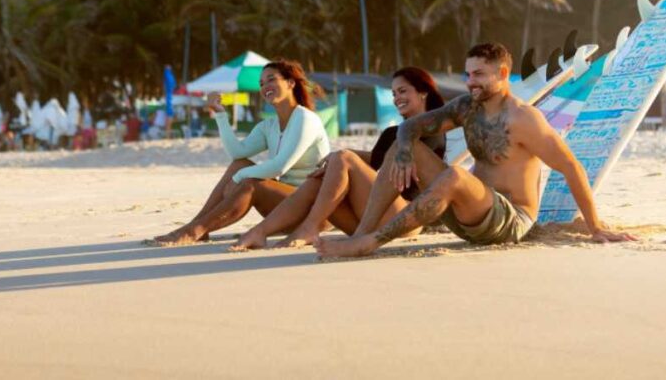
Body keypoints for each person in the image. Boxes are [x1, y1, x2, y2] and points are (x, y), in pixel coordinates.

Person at [316, 43, 636, 259]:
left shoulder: (523, 119)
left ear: (502, 74)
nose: (471, 82)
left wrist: (596, 227)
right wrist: (401, 150)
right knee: (406, 146)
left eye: (479, 74)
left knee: (455, 174)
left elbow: (570, 166)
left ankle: (371, 242)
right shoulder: (467, 108)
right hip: (467, 213)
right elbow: (409, 127)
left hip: (509, 221)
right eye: (468, 74)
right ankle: (361, 233)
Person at [233, 67, 446, 250]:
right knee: (323, 174)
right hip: (370, 222)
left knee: (342, 157)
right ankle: (260, 232)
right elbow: (375, 163)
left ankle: (309, 228)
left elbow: (424, 176)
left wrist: (343, 157)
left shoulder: (431, 129)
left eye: (402, 91)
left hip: (406, 218)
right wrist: (334, 158)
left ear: (423, 92)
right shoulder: (392, 133)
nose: (396, 98)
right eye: (393, 93)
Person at [150, 58, 329, 245]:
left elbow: (279, 167)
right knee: (240, 164)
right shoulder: (269, 126)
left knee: (250, 181)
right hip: (285, 207)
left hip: (313, 211)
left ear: (290, 83)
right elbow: (238, 153)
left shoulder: (305, 118)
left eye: (271, 79)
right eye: (261, 83)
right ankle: (196, 225)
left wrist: (238, 179)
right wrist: (220, 114)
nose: (265, 86)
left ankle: (197, 229)